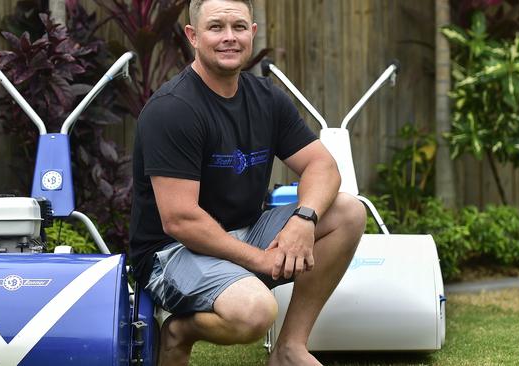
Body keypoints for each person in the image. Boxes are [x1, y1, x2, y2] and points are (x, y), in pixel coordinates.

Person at [129, 0, 366, 365]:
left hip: (244, 230)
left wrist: (305, 219)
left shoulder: (266, 98)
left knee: (348, 211)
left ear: (252, 33)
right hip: (171, 252)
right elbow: (180, 220)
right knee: (254, 312)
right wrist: (259, 260)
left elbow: (323, 165)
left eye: (239, 27)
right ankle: (179, 330)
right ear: (193, 36)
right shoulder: (173, 109)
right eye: (216, 27)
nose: (229, 38)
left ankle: (290, 349)